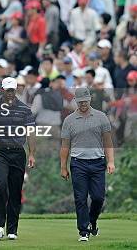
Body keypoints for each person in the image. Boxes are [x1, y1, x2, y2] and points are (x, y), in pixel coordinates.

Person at [0, 77, 36, 240]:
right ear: (2, 90)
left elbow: (31, 132)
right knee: (0, 184)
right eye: (8, 90)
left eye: (13, 90)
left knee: (15, 191)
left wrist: (32, 153)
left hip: (18, 153)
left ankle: (12, 229)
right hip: (0, 152)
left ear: (16, 90)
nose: (10, 93)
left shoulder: (25, 109)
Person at [60, 87, 115, 242]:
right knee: (80, 198)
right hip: (78, 164)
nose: (83, 104)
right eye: (80, 101)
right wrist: (63, 167)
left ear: (90, 99)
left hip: (98, 163)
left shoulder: (101, 117)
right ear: (76, 101)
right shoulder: (69, 120)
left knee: (98, 198)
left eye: (85, 100)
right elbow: (65, 146)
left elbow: (108, 141)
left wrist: (111, 161)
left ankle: (92, 221)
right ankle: (83, 231)